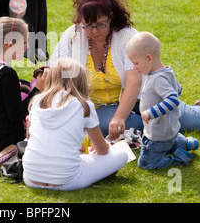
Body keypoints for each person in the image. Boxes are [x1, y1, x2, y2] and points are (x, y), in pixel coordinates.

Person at [49, 0, 200, 140]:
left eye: (100, 24)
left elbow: (135, 83)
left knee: (195, 123)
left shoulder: (126, 37)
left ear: (111, 17)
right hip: (102, 107)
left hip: (145, 97)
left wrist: (120, 118)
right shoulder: (73, 37)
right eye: (88, 25)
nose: (94, 31)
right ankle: (154, 126)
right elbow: (53, 73)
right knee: (110, 127)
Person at [22, 57, 128, 191]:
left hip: (31, 178)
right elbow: (102, 150)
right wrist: (108, 146)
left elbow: (30, 138)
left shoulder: (37, 101)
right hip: (67, 180)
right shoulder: (84, 105)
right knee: (122, 154)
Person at [0, 17, 47, 157]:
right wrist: (38, 89)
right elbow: (16, 115)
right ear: (9, 45)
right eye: (25, 42)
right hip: (6, 144)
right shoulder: (7, 73)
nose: (27, 46)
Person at [126, 32, 198, 169]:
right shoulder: (166, 72)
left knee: (146, 164)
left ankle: (180, 158)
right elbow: (178, 89)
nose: (135, 67)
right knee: (170, 143)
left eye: (136, 63)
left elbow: (173, 99)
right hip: (169, 129)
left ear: (148, 58)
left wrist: (150, 113)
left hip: (159, 135)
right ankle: (187, 144)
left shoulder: (158, 79)